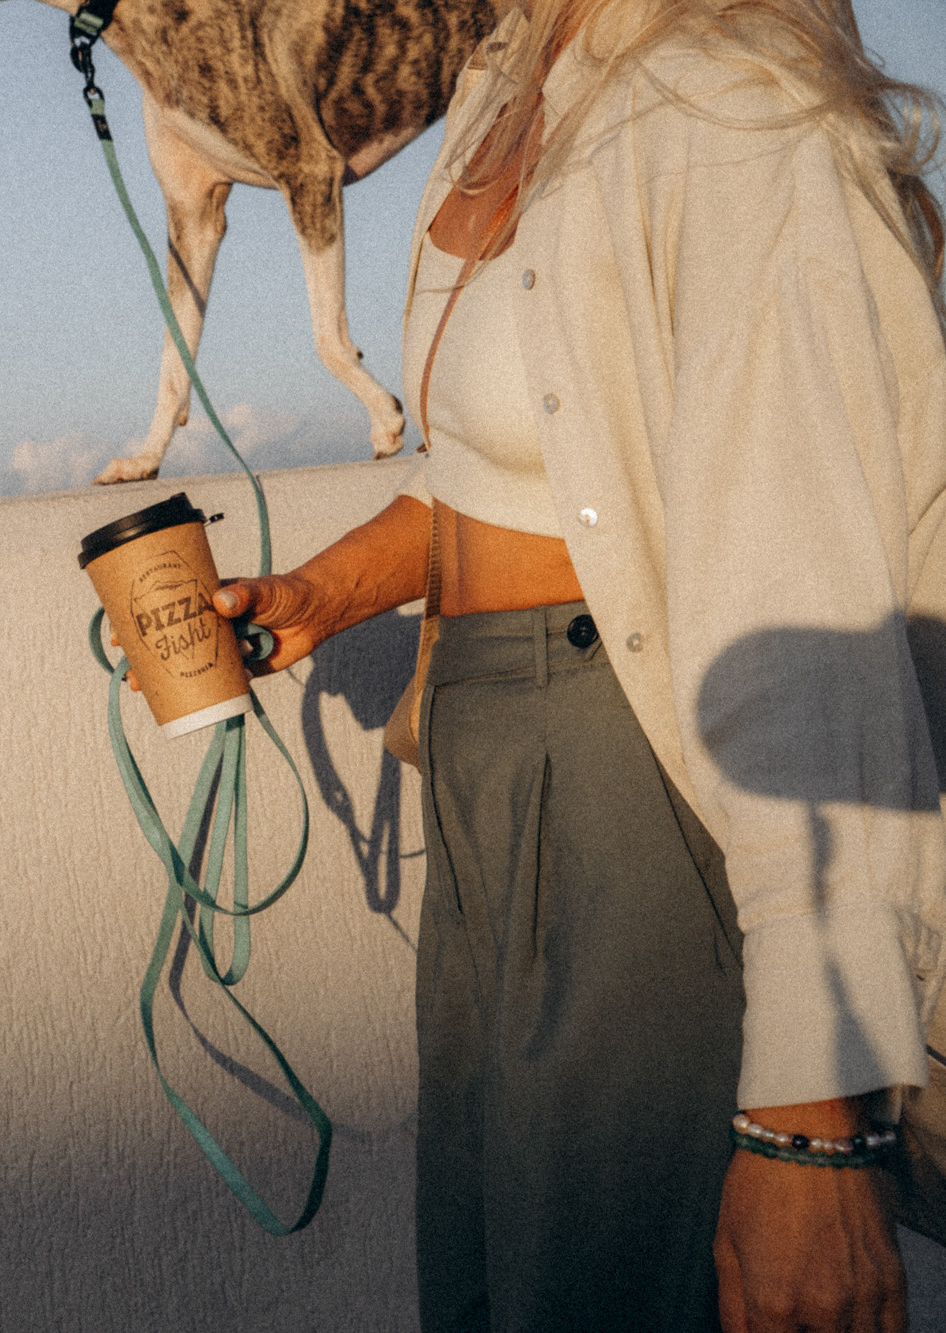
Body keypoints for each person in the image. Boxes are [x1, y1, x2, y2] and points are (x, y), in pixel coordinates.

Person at [207, 0, 946, 1327]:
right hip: (491, 759)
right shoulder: (515, 73)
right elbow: (526, 469)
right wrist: (321, 594)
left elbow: (800, 595)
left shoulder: (725, 101)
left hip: (633, 775)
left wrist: (806, 1124)